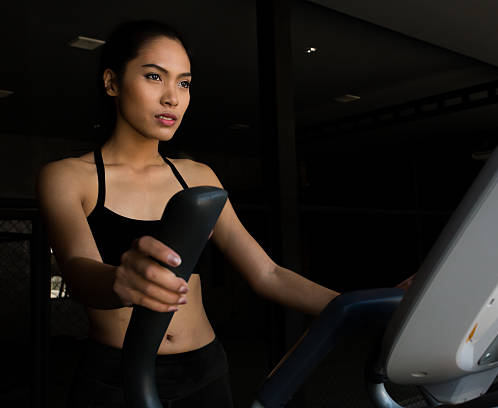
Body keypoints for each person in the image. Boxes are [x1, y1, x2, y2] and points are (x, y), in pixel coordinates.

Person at [36, 20, 345, 407]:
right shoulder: (68, 177)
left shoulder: (198, 176)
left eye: (184, 83)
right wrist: (120, 279)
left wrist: (357, 305)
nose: (172, 98)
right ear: (112, 82)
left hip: (205, 370)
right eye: (154, 76)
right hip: (118, 375)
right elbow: (79, 271)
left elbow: (268, 274)